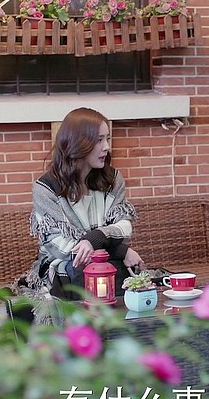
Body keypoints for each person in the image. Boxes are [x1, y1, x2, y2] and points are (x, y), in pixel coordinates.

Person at [24, 107, 144, 302]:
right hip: (62, 266)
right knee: (87, 270)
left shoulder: (112, 179)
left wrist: (95, 239)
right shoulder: (46, 188)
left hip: (105, 262)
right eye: (99, 140)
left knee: (124, 274)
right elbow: (61, 247)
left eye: (107, 139)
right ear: (78, 143)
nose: (106, 147)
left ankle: (121, 319)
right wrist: (121, 251)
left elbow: (123, 226)